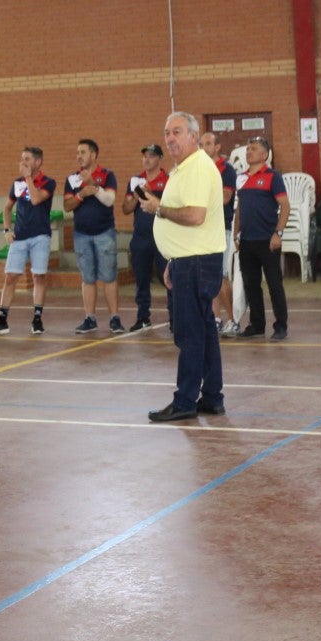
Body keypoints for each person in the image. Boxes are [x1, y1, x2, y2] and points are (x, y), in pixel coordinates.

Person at [138, 112, 227, 422]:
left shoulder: (198, 167)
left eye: (177, 132)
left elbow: (195, 216)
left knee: (190, 333)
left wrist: (158, 208)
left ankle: (185, 400)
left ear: (193, 135)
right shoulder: (185, 167)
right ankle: (212, 397)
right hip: (189, 260)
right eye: (167, 133)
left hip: (196, 262)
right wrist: (173, 259)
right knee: (203, 330)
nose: (170, 138)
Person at [0, 146, 55, 335]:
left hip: (40, 236)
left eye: (27, 159)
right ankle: (2, 320)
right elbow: (7, 208)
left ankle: (37, 319)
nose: (23, 162)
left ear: (38, 162)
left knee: (38, 277)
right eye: (22, 158)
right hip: (20, 237)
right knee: (10, 277)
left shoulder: (48, 182)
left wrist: (28, 178)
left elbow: (36, 199)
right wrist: (7, 229)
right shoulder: (17, 183)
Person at [233, 135, 291, 341]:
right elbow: (239, 207)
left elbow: (285, 205)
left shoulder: (273, 176)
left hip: (268, 240)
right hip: (247, 241)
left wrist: (278, 233)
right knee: (251, 285)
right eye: (248, 149)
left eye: (254, 149)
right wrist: (236, 233)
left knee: (274, 284)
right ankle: (257, 325)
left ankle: (281, 326)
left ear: (265, 154)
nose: (249, 152)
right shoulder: (241, 178)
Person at [64, 138, 123, 334]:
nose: (78, 156)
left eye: (83, 152)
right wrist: (81, 194)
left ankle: (115, 318)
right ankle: (90, 318)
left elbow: (109, 200)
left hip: (104, 233)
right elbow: (67, 206)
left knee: (109, 276)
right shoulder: (72, 179)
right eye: (77, 153)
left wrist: (94, 187)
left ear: (93, 154)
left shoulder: (107, 175)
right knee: (87, 278)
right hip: (81, 235)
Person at [122, 143, 169, 331]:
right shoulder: (135, 180)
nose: (147, 159)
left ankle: (175, 317)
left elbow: (171, 206)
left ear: (160, 159)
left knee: (168, 278)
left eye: (151, 156)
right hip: (141, 237)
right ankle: (143, 317)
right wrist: (136, 197)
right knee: (141, 279)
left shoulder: (168, 180)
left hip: (163, 237)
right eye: (145, 156)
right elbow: (126, 209)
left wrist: (151, 195)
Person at [198, 129, 239, 336]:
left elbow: (225, 197)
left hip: (221, 227)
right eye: (201, 144)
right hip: (203, 227)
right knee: (209, 275)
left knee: (221, 275)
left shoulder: (226, 169)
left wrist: (201, 195)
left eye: (207, 144)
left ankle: (232, 320)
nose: (203, 148)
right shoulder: (199, 169)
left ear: (217, 147)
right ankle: (216, 318)